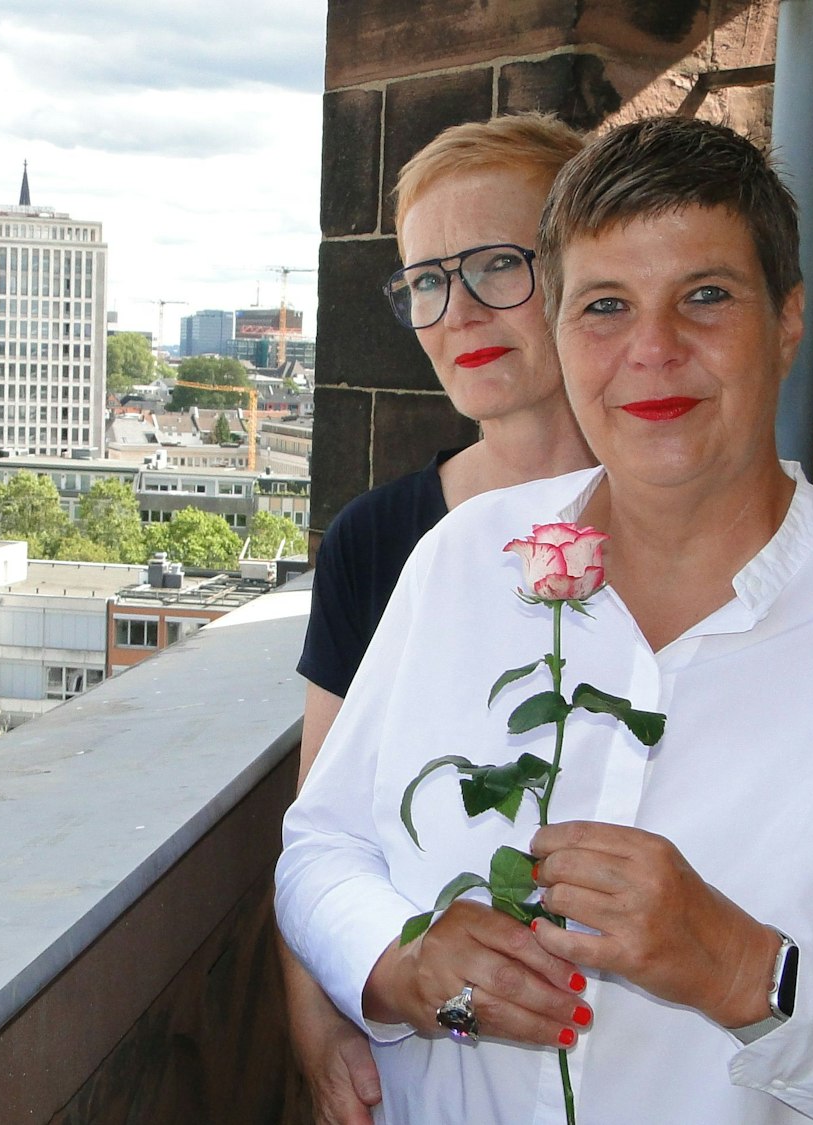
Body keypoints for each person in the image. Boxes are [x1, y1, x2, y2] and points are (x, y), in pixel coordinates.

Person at [276, 116, 813, 1123]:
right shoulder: (463, 560)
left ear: (787, 321)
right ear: (561, 332)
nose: (652, 349)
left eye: (704, 296)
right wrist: (397, 962)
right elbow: (324, 844)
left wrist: (746, 971)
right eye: (605, 306)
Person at [288, 113, 599, 1125]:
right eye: (426, 280)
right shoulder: (376, 540)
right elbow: (321, 825)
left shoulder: (677, 527)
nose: (456, 310)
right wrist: (321, 1021)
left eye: (497, 264)